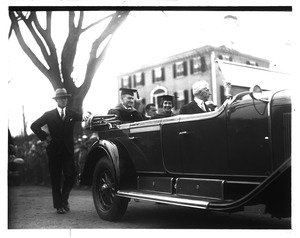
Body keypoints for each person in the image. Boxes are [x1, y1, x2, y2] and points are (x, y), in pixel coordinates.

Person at [30, 88, 91, 214]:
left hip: (68, 151)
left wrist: (88, 114)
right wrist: (45, 138)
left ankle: (64, 199)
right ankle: (59, 205)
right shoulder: (49, 114)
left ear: (67, 99)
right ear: (56, 100)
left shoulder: (72, 114)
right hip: (53, 151)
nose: (63, 100)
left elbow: (83, 118)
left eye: (65, 98)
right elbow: (34, 125)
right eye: (60, 98)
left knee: (71, 175)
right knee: (56, 178)